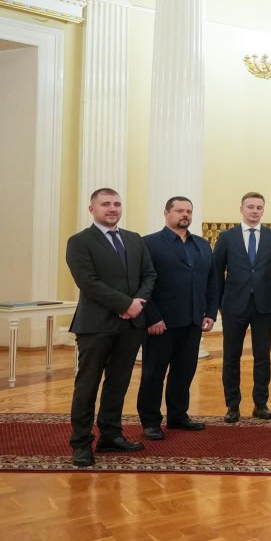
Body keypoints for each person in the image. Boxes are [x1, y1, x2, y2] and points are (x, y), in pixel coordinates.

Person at [65, 188, 156, 467]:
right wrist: (125, 304)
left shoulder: (134, 239)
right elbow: (87, 281)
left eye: (116, 203)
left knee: (118, 383)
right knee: (87, 385)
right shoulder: (79, 241)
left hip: (131, 326)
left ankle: (111, 434)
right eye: (105, 204)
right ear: (92, 209)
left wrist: (137, 304)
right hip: (96, 325)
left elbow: (149, 274)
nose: (112, 208)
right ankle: (81, 443)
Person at [138, 196, 217, 439]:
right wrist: (151, 317)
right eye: (179, 210)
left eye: (188, 211)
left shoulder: (202, 244)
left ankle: (178, 416)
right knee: (153, 374)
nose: (185, 215)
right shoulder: (149, 243)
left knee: (184, 373)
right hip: (160, 323)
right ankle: (150, 422)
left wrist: (210, 312)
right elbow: (142, 284)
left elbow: (212, 280)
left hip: (193, 321)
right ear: (166, 213)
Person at [213, 191, 271, 423]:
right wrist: (218, 303)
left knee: (262, 356)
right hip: (233, 305)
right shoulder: (227, 237)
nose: (255, 211)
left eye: (259, 207)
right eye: (250, 207)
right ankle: (232, 405)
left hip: (265, 305)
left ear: (263, 210)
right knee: (231, 357)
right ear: (241, 209)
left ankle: (261, 404)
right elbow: (216, 272)